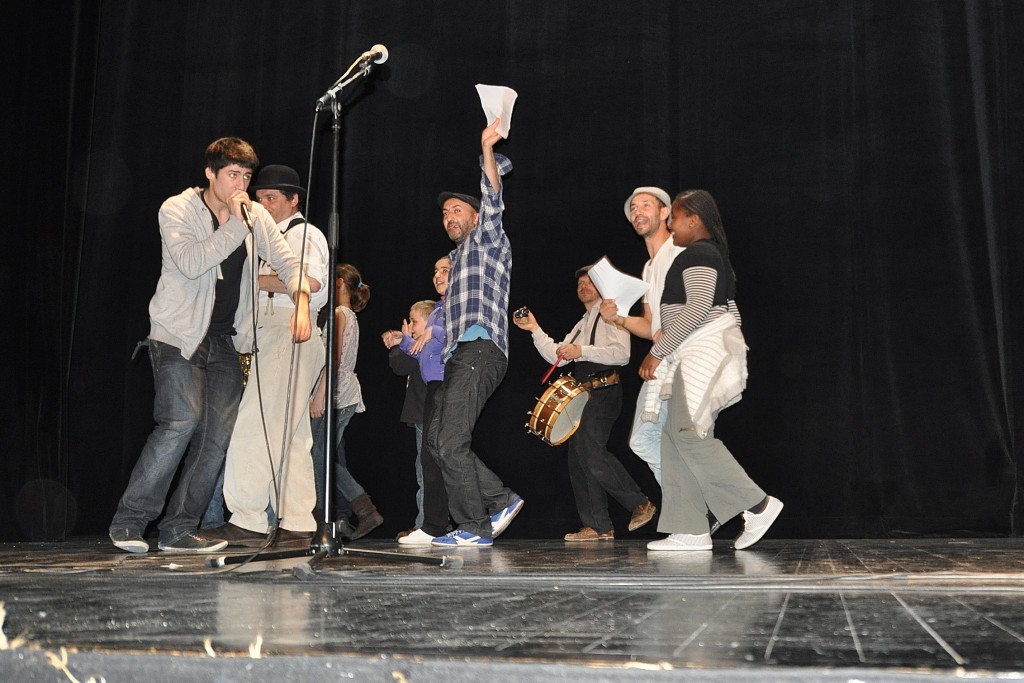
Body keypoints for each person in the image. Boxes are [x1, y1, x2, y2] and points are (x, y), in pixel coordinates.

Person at [108, 138, 312, 554]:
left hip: (225, 340)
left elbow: (288, 261)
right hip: (178, 337)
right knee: (180, 422)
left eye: (246, 176)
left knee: (216, 438)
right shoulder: (177, 209)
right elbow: (192, 262)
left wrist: (302, 299)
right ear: (210, 173)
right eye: (232, 175)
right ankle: (129, 522)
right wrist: (236, 224)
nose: (241, 185)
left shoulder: (256, 215)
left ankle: (179, 530)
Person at [640, 190, 782, 551]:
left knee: (688, 434)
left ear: (694, 220)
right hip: (692, 354)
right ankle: (690, 529)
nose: (671, 225)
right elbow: (719, 309)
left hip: (698, 354)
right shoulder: (707, 254)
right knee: (673, 437)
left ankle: (758, 505)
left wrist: (657, 352)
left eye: (675, 217)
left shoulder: (699, 252)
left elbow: (699, 306)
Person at [211, 165, 329, 548]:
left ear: (294, 200)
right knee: (290, 433)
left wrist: (250, 278)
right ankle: (297, 519)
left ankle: (247, 518)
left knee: (256, 422)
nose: (263, 204)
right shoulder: (266, 235)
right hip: (279, 332)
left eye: (272, 198)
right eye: (260, 197)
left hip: (287, 327)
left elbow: (311, 281)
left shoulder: (302, 233)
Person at [428, 119, 524, 548]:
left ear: (476, 217)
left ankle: (474, 526)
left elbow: (493, 196)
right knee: (438, 441)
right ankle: (500, 499)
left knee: (450, 441)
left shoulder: (487, 241)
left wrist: (487, 148)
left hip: (480, 348)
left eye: (457, 210)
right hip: (460, 355)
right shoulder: (456, 260)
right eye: (445, 212)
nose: (449, 216)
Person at [514, 266, 657, 541]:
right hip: (584, 394)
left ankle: (640, 503)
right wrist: (534, 328)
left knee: (590, 449)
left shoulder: (612, 315)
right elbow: (557, 356)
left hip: (605, 388)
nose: (583, 285)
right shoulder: (582, 323)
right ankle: (598, 526)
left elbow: (622, 355)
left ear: (601, 286)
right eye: (579, 282)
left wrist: (581, 350)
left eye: (589, 281)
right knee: (578, 458)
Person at [600, 187, 682, 486]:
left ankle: (705, 505)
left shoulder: (680, 251)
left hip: (686, 355)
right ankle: (691, 504)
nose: (637, 212)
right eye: (633, 208)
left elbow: (697, 303)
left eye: (645, 205)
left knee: (687, 438)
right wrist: (618, 319)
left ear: (664, 212)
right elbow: (650, 326)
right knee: (643, 440)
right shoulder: (648, 269)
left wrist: (666, 337)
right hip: (664, 356)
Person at [309, 264, 383, 540]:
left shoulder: (340, 314)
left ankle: (361, 511)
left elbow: (335, 357)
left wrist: (320, 394)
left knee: (319, 455)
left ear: (338, 282)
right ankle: (335, 518)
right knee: (329, 455)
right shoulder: (348, 315)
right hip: (343, 391)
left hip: (336, 392)